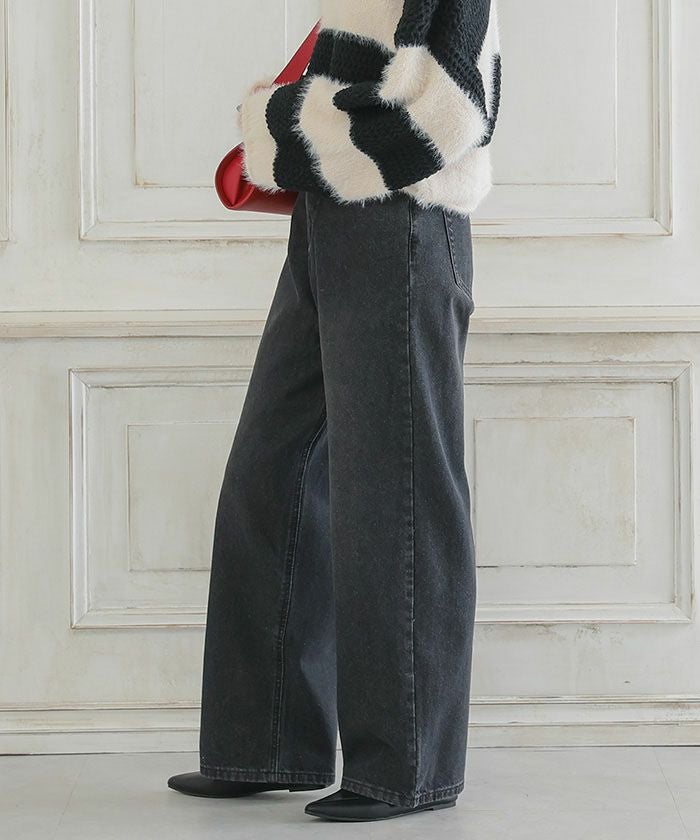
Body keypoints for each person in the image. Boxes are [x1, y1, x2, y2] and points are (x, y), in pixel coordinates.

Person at [168, 0, 502, 823]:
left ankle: (406, 768)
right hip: (330, 221)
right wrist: (301, 131)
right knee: (271, 475)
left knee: (398, 497)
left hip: (403, 223)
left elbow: (450, 111)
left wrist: (281, 126)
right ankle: (265, 744)